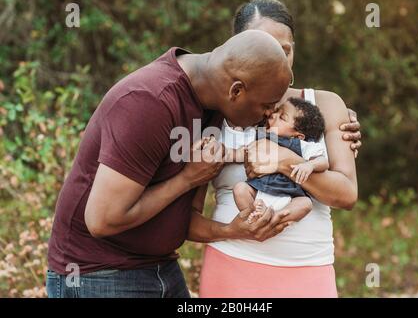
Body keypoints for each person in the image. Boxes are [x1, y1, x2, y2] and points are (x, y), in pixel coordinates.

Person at [45, 30, 294, 298]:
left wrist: (232, 230)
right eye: (266, 107)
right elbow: (103, 220)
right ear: (236, 90)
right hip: (98, 274)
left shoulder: (213, 104)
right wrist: (187, 178)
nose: (267, 117)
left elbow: (187, 215)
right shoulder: (149, 101)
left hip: (161, 268)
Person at [191, 0, 360, 298]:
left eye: (286, 50)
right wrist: (231, 231)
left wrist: (284, 162)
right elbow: (187, 221)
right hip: (231, 267)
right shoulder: (214, 114)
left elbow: (346, 195)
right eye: (265, 46)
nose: (278, 60)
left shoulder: (325, 105)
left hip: (310, 270)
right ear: (237, 47)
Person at [233, 97, 329, 225]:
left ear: (298, 136)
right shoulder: (259, 134)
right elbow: (240, 150)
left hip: (290, 193)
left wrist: (310, 165)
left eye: (282, 117)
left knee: (305, 204)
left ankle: (274, 218)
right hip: (259, 189)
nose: (273, 115)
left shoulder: (301, 145)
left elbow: (323, 161)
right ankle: (254, 214)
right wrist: (228, 145)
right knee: (240, 189)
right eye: (277, 111)